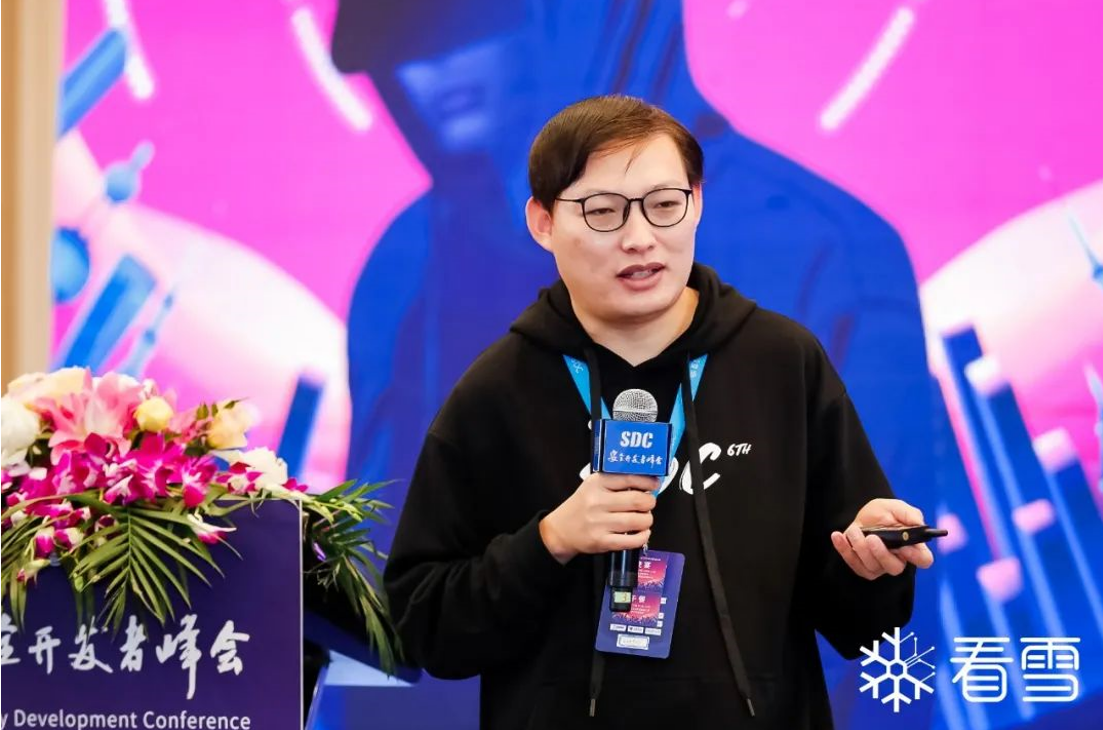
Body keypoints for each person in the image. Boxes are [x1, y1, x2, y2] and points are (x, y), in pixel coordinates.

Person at [382, 95, 935, 729]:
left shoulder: (782, 362)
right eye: (603, 211)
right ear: (542, 222)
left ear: (696, 203)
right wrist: (549, 541)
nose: (640, 238)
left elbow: (862, 627)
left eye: (664, 205)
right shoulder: (497, 392)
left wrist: (869, 565)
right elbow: (424, 624)